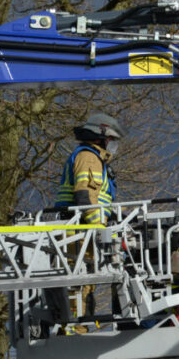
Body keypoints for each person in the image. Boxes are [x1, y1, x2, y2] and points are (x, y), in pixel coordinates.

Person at [54, 112, 123, 329]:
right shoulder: (89, 156)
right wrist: (97, 228)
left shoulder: (95, 158)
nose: (113, 146)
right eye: (112, 141)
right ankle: (76, 329)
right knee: (80, 281)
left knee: (87, 282)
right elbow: (85, 196)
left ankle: (80, 327)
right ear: (101, 137)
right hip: (80, 231)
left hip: (83, 229)